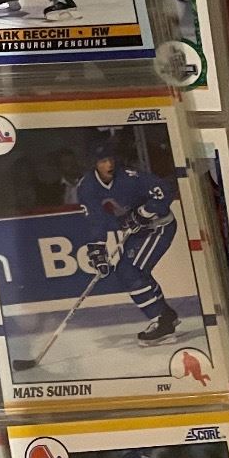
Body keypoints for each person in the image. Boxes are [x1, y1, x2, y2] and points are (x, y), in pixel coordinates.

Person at [74, 140, 181, 344]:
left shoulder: (130, 177)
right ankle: (166, 316)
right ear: (94, 163)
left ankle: (162, 322)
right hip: (138, 231)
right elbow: (95, 220)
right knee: (128, 271)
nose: (109, 164)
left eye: (110, 159)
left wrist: (144, 212)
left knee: (130, 271)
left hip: (159, 226)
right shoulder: (87, 187)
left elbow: (165, 190)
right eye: (103, 161)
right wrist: (97, 250)